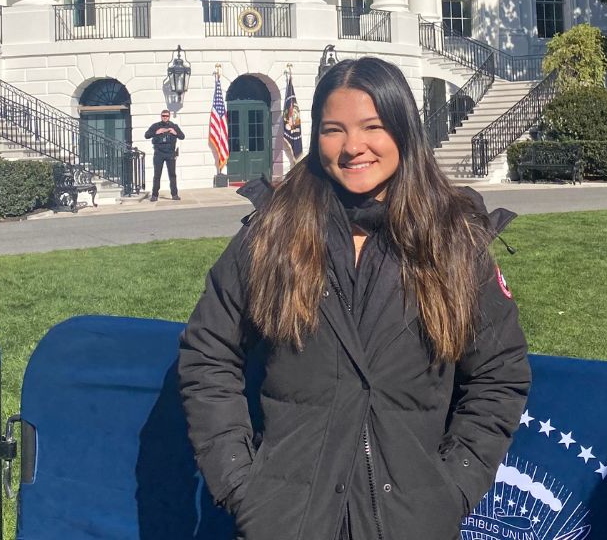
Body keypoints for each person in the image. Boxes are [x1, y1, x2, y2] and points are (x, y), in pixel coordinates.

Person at [177, 57, 530, 540]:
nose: (352, 147)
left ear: (404, 130)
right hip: (287, 519)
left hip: (412, 520)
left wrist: (455, 487)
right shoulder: (273, 232)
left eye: (372, 127)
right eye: (333, 130)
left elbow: (499, 374)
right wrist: (239, 480)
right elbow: (208, 353)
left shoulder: (454, 240)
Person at [144, 109, 185, 201]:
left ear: (169, 116)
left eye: (166, 116)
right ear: (161, 116)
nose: (165, 117)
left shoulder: (173, 126)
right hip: (159, 153)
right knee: (157, 175)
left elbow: (182, 136)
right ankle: (154, 195)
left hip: (170, 153)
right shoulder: (155, 126)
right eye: (163, 115)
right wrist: (156, 132)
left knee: (172, 175)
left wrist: (175, 133)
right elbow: (146, 135)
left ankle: (174, 195)